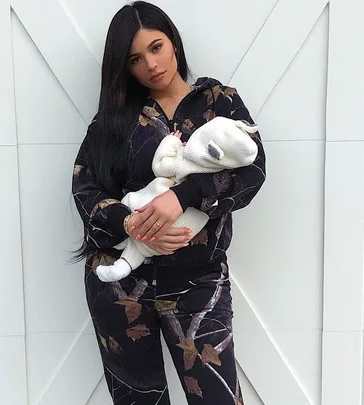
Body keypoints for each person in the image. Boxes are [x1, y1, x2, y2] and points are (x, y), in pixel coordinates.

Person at [71, 1, 266, 404]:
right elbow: (84, 187)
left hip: (199, 280)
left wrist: (184, 196)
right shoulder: (114, 119)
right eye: (135, 59)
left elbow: (254, 169)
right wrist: (132, 224)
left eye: (156, 47)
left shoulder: (218, 101)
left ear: (174, 42)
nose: (151, 65)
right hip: (120, 286)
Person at [96, 117, 259, 282]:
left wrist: (171, 141)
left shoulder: (183, 162)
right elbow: (87, 188)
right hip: (183, 236)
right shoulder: (220, 168)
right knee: (144, 246)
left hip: (199, 277)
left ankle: (123, 260)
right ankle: (124, 263)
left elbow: (159, 165)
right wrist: (126, 223)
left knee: (140, 238)